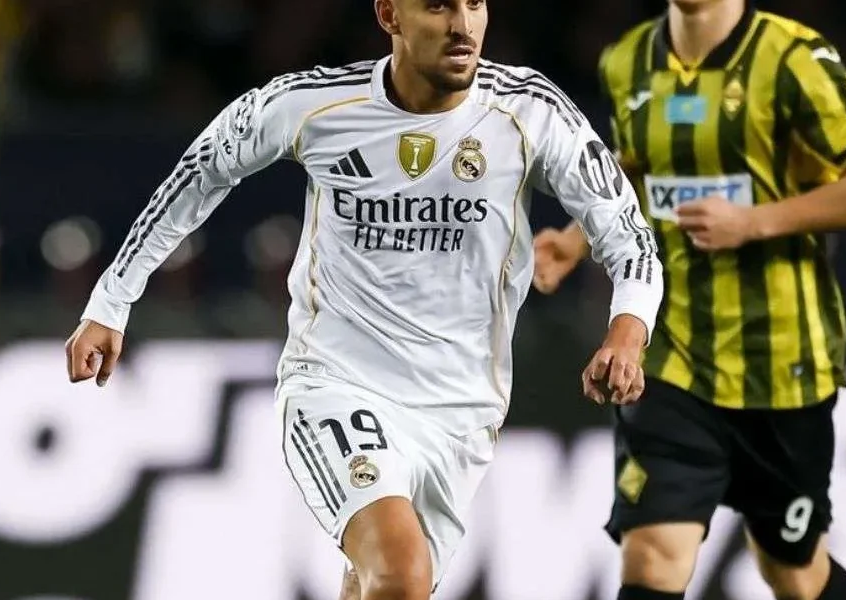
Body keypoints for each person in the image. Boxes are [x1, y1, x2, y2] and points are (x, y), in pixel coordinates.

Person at [65, 0, 665, 598]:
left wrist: (626, 334)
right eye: (438, 6)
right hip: (336, 382)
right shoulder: (315, 105)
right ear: (389, 16)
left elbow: (629, 237)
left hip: (461, 412)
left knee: (377, 586)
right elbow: (201, 172)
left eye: (475, 3)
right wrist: (111, 302)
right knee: (401, 574)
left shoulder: (530, 111)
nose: (463, 25)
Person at [532, 1, 846, 599]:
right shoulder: (627, 60)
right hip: (671, 358)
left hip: (779, 366)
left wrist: (755, 221)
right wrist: (577, 240)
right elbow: (638, 170)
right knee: (652, 556)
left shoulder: (794, 58)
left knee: (793, 571)